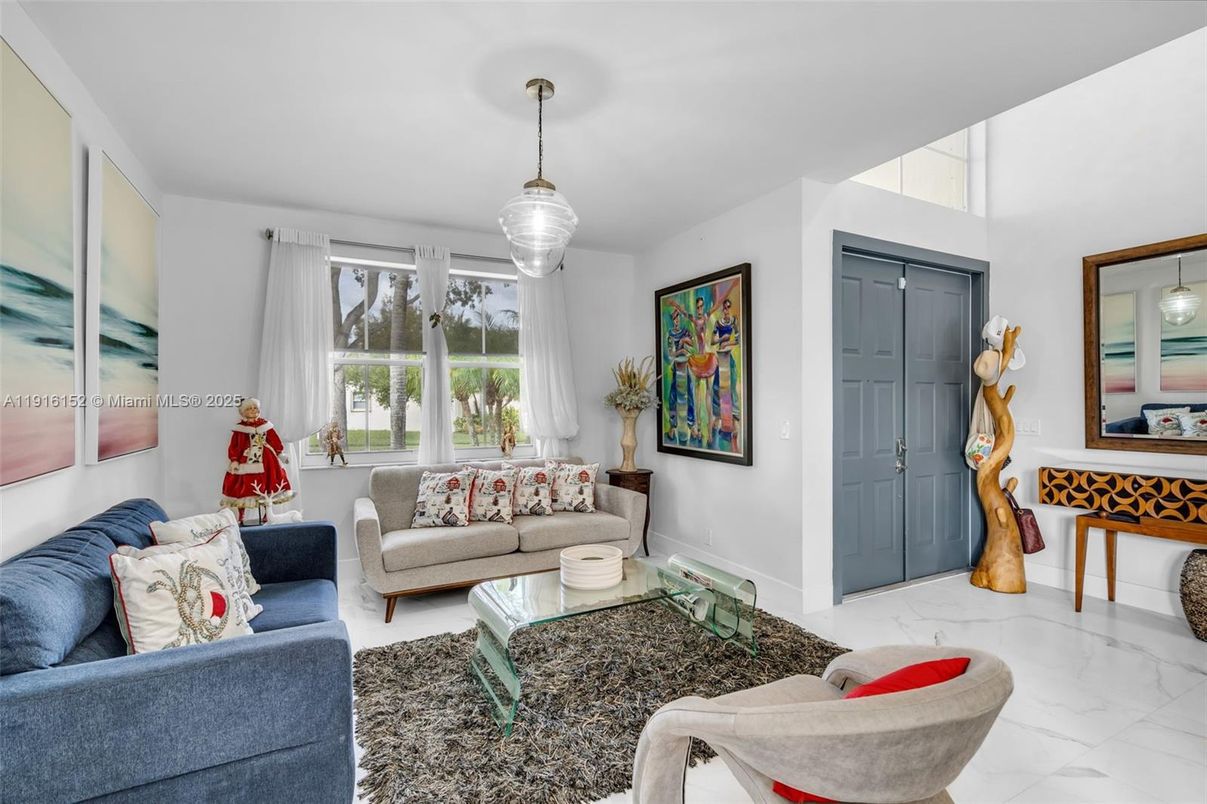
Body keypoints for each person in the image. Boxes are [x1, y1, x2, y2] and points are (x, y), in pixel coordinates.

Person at [220, 397, 294, 522]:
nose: (253, 411)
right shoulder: (240, 429)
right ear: (243, 412)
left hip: (267, 460)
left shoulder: (265, 425)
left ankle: (267, 513)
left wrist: (280, 453)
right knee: (243, 486)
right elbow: (235, 445)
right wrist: (234, 459)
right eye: (249, 409)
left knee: (267, 485)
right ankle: (241, 514)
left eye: (255, 408)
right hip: (247, 459)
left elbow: (274, 440)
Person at [711, 297, 741, 452]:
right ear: (723, 309)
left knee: (730, 390)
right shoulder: (718, 322)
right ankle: (719, 424)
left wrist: (727, 342)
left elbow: (738, 339)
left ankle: (733, 428)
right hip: (720, 358)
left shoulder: (734, 321)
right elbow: (712, 340)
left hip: (728, 357)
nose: (727, 310)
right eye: (725, 307)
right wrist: (720, 339)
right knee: (717, 389)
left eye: (729, 307)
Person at [665, 308, 696, 444]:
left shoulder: (685, 332)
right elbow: (671, 354)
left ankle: (691, 426)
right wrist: (681, 350)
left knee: (690, 394)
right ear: (672, 320)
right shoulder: (670, 335)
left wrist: (685, 342)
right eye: (675, 318)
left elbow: (693, 345)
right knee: (673, 397)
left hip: (686, 367)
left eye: (678, 318)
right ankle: (672, 426)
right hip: (676, 368)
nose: (677, 320)